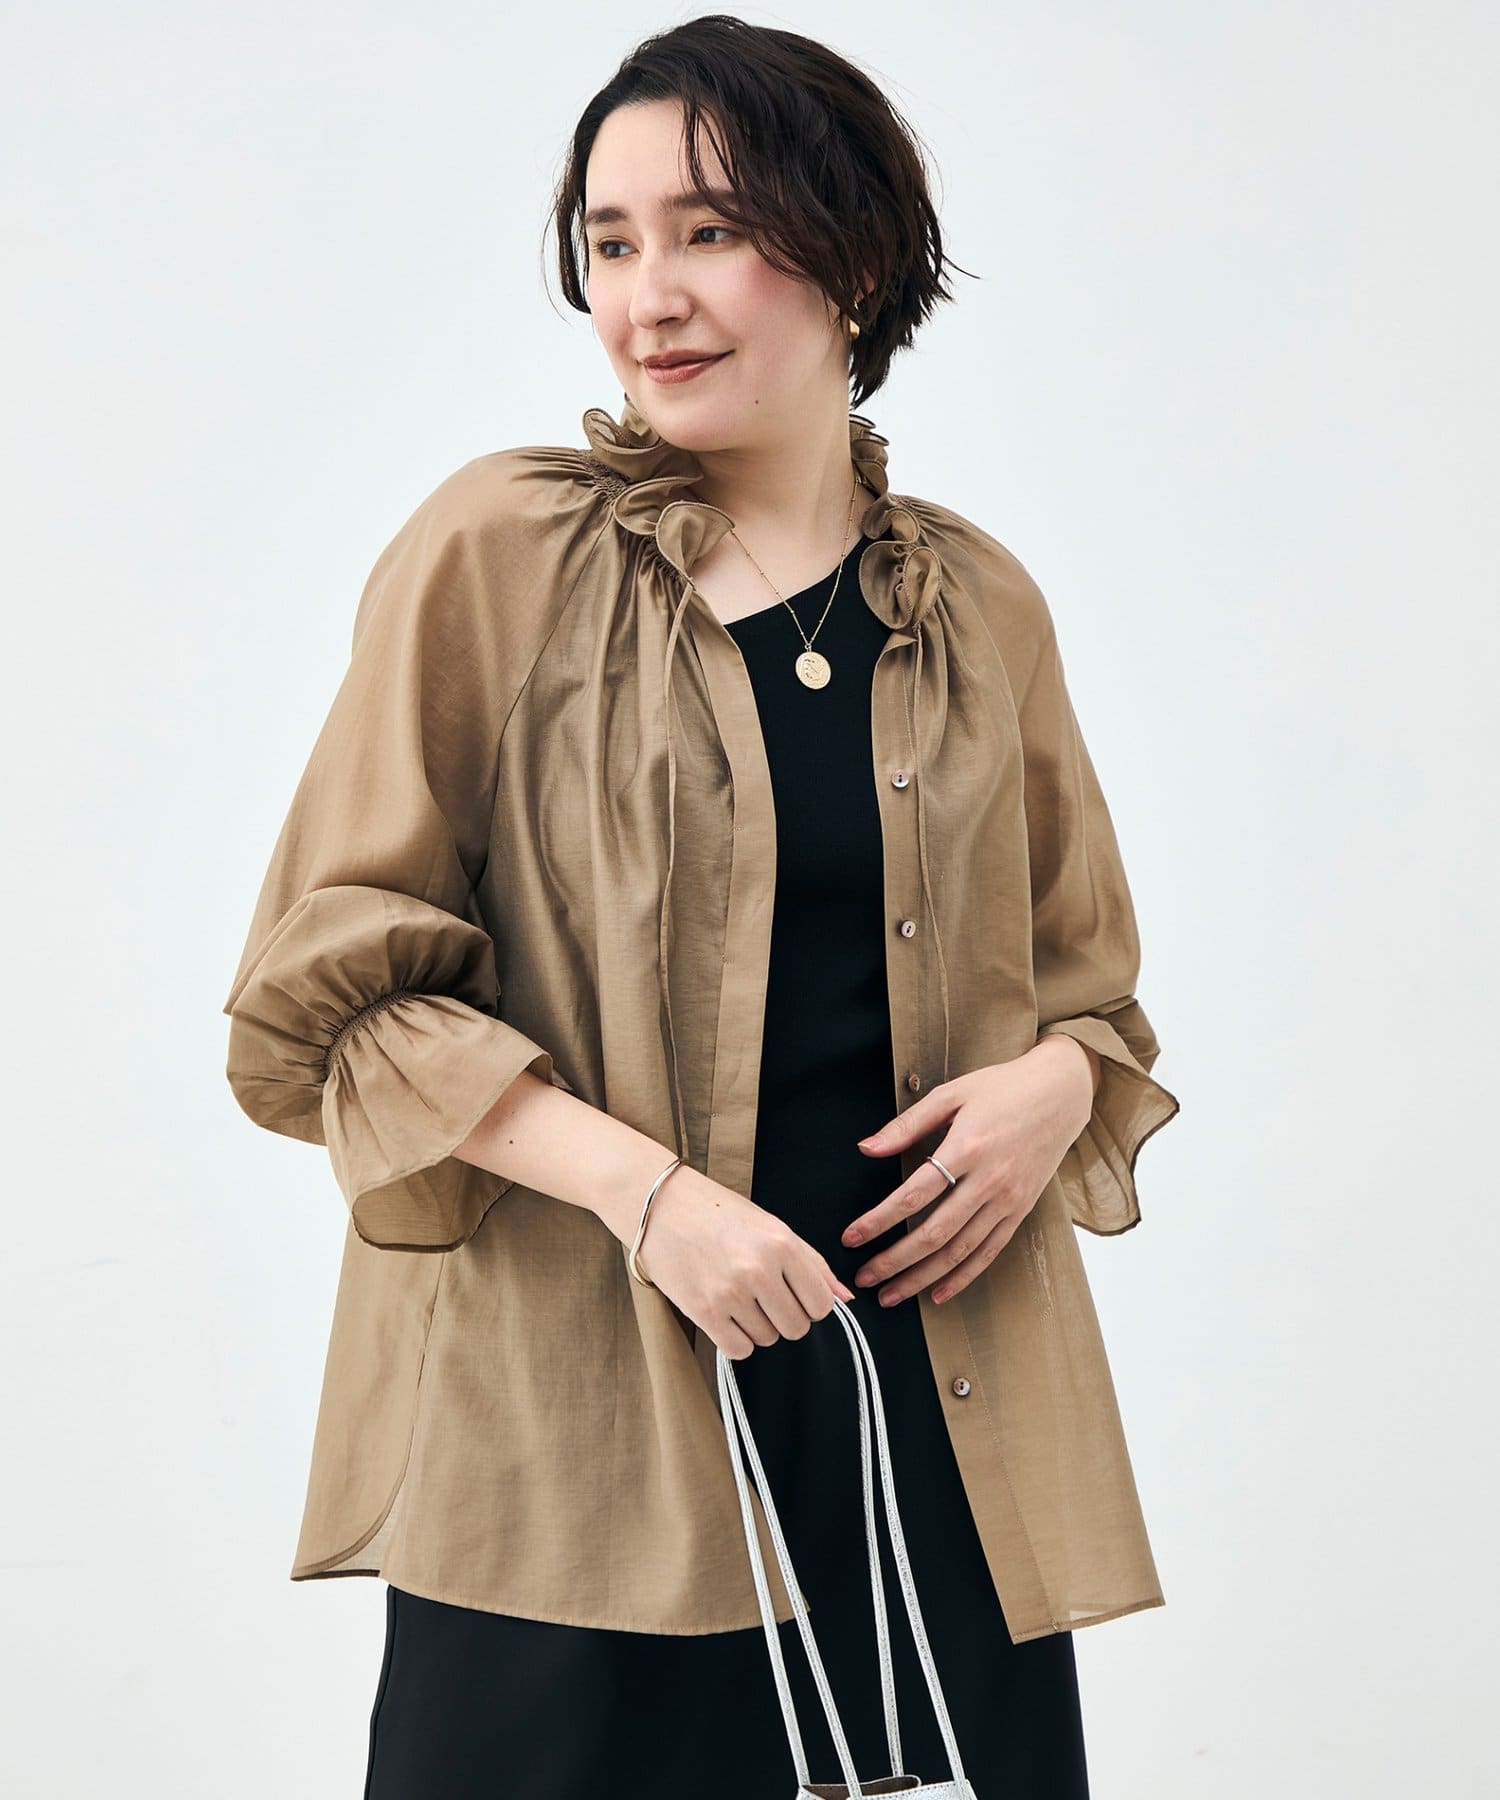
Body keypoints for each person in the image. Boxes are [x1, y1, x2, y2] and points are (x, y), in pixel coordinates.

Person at [221, 15, 1181, 1798]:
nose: (647, 296)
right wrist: (650, 1200)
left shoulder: (979, 608)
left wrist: (1057, 1089)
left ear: (856, 259)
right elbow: (331, 1001)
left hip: (929, 1414)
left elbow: (1092, 993)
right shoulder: (502, 556)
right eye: (610, 241)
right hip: (587, 1434)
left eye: (711, 231)